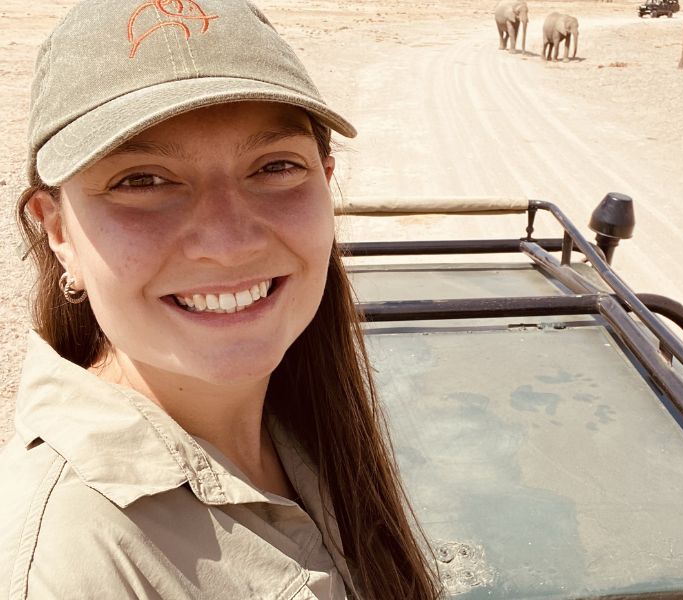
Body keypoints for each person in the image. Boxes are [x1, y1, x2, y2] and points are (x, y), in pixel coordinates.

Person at [0, 0, 441, 598]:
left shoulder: (306, 422)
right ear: (57, 230)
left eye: (275, 167)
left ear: (325, 183)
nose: (229, 244)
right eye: (142, 180)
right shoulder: (64, 561)